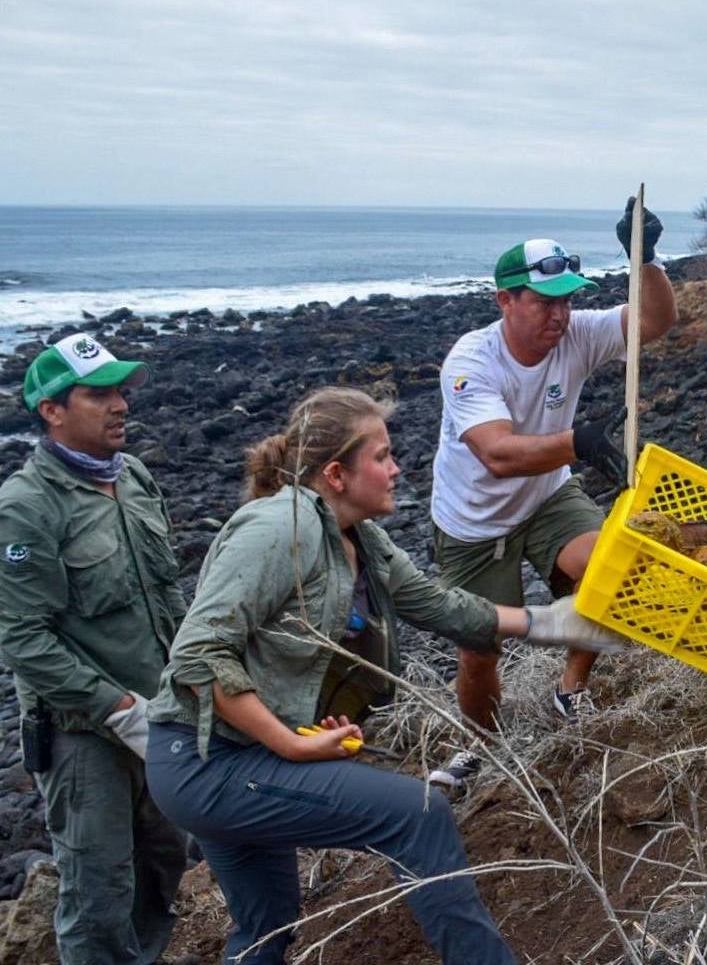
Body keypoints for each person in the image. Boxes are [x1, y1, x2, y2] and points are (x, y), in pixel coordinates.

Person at [144, 386, 623, 965]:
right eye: (382, 456)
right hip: (206, 762)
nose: (398, 468)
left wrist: (555, 623)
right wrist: (287, 745)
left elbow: (439, 604)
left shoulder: (361, 539)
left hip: (240, 756)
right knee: (416, 813)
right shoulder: (277, 530)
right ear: (336, 474)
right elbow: (197, 656)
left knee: (267, 924)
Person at [429, 198, 678, 788]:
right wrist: (583, 442)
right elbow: (496, 452)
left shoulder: (577, 334)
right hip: (474, 523)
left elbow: (654, 323)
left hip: (546, 497)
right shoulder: (471, 361)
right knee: (480, 650)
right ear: (505, 301)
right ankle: (483, 747)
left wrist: (646, 260)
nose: (559, 315)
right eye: (544, 302)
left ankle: (571, 688)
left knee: (607, 569)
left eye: (567, 300)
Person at [0, 333, 189, 964]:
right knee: (98, 891)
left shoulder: (131, 476)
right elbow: (24, 637)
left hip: (161, 717)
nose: (120, 406)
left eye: (122, 391)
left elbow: (166, 596)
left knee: (163, 868)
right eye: (99, 393)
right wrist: (116, 707)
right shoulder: (26, 508)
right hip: (85, 735)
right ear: (52, 409)